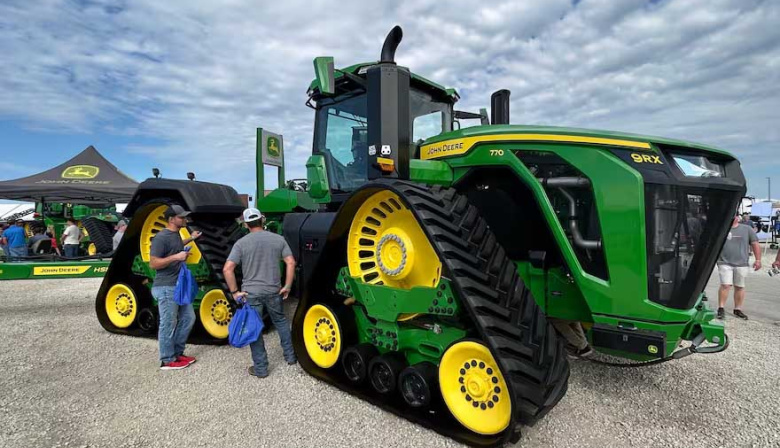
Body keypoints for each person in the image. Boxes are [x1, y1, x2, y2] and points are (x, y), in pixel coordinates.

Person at [223, 207, 297, 378]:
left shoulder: (241, 243)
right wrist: (287, 286)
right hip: (274, 290)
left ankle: (261, 369)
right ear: (262, 221)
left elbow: (228, 269)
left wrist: (235, 292)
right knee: (281, 322)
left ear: (246, 224)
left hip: (251, 294)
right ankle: (291, 357)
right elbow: (291, 263)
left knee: (254, 328)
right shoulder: (278, 239)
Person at [149, 205, 202, 370]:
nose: (185, 219)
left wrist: (191, 239)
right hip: (165, 287)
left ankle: (177, 353)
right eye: (181, 217)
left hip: (178, 286)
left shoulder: (176, 234)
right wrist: (176, 257)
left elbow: (177, 245)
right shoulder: (160, 238)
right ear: (172, 219)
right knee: (168, 323)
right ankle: (167, 359)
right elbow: (154, 263)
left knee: (188, 318)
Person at [717, 212, 760, 320]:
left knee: (740, 286)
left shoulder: (747, 229)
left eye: (734, 216)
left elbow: (755, 244)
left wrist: (758, 260)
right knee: (725, 285)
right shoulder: (721, 229)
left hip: (742, 263)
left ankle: (738, 309)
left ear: (737, 217)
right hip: (724, 262)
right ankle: (721, 308)